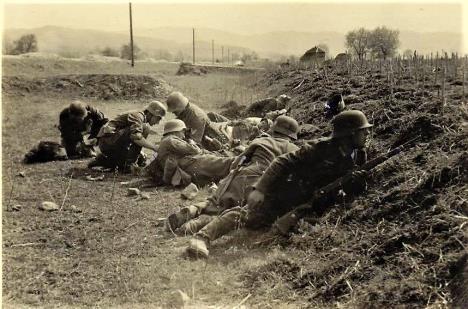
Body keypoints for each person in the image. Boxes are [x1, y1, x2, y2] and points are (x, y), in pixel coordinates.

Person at [186, 110, 373, 258]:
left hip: (310, 201)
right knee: (247, 215)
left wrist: (357, 182)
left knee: (275, 227)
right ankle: (201, 237)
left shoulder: (359, 155)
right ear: (349, 134)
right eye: (363, 131)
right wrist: (260, 189)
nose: (367, 134)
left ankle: (198, 220)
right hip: (286, 191)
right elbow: (281, 162)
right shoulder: (319, 148)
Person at [167, 115, 300, 234]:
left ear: (274, 129)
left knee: (217, 203)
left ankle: (193, 209)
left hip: (243, 176)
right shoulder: (294, 150)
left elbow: (236, 163)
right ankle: (194, 226)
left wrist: (231, 179)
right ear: (292, 135)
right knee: (235, 213)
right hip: (263, 186)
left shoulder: (261, 141)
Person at [146, 119, 235, 187]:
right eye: (183, 131)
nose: (183, 135)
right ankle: (239, 162)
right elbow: (195, 150)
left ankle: (237, 164)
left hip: (184, 170)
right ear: (176, 131)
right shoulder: (171, 140)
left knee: (218, 164)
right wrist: (192, 143)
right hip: (186, 168)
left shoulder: (166, 141)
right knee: (218, 163)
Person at [88, 100, 166, 172]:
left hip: (112, 142)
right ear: (150, 113)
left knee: (141, 159)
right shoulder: (138, 116)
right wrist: (154, 147)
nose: (158, 122)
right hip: (107, 142)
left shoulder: (140, 117)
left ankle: (104, 160)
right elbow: (136, 137)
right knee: (145, 128)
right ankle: (129, 164)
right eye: (158, 118)